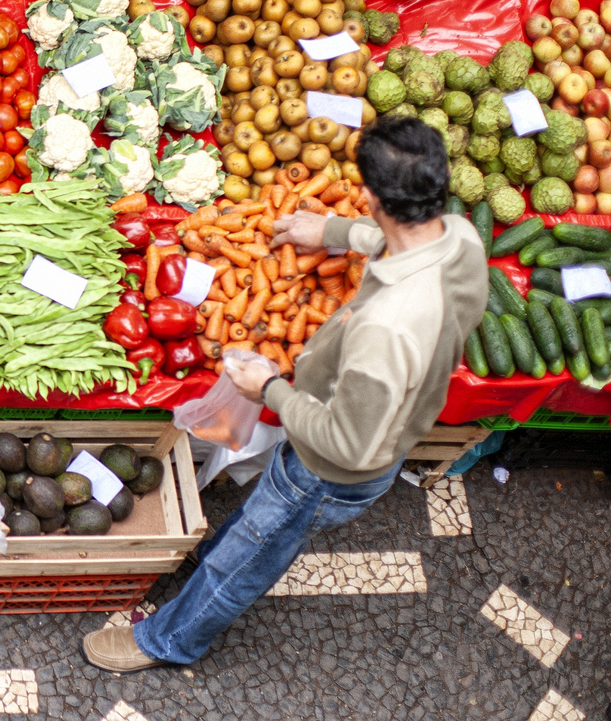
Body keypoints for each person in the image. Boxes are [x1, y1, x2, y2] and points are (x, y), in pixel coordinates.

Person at [84, 116, 487, 673]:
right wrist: (334, 233)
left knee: (248, 556)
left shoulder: (388, 329)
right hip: (387, 420)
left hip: (329, 467)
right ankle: (206, 557)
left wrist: (269, 388)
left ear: (371, 195)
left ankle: (166, 642)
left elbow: (346, 445)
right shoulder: (460, 237)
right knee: (256, 528)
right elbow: (400, 251)